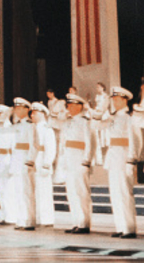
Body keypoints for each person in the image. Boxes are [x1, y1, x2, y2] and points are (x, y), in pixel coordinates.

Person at [96, 86, 140, 239]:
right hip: (113, 157)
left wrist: (131, 159)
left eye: (117, 99)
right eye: (113, 99)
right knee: (115, 194)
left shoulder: (128, 118)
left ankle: (129, 228)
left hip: (123, 158)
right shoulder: (113, 118)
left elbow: (135, 140)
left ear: (124, 100)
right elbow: (97, 127)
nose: (114, 102)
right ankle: (120, 226)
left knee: (124, 193)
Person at [60, 93, 94, 234]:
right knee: (72, 192)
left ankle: (84, 223)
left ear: (80, 107)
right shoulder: (67, 122)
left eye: (72, 105)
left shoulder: (85, 122)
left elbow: (90, 143)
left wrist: (86, 161)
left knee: (81, 192)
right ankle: (76, 222)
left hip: (79, 160)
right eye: (68, 105)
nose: (69, 108)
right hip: (69, 160)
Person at [9, 98, 37, 231]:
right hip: (16, 161)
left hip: (25, 161)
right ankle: (21, 219)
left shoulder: (30, 125)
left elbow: (34, 144)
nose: (17, 110)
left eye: (19, 108)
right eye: (16, 108)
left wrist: (30, 160)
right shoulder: (17, 125)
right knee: (18, 191)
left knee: (26, 192)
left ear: (26, 109)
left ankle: (28, 220)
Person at [31, 102, 56, 227]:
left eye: (34, 113)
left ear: (41, 113)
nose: (32, 115)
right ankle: (38, 218)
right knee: (36, 192)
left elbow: (50, 148)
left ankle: (47, 219)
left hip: (42, 162)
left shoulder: (47, 129)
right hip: (35, 161)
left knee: (44, 192)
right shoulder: (33, 128)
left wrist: (47, 164)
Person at [0, 104, 15, 225]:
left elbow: (13, 147)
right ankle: (5, 215)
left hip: (7, 159)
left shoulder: (11, 128)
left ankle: (12, 216)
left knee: (9, 190)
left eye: (0, 113)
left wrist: (12, 164)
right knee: (0, 190)